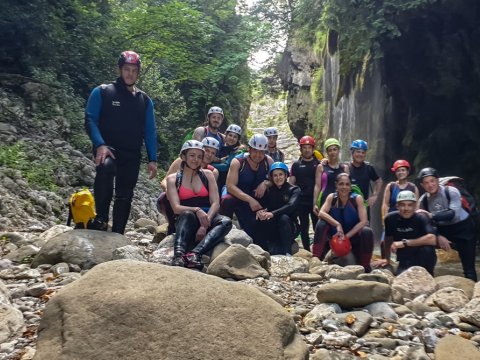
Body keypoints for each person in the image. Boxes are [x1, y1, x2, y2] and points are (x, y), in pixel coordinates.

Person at [85, 50, 157, 234]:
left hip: (132, 153)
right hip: (108, 148)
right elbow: (90, 119)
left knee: (125, 193)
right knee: (106, 168)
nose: (130, 73)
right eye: (126, 69)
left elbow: (150, 131)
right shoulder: (102, 92)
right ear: (120, 69)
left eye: (134, 70)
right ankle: (101, 218)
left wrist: (152, 159)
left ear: (138, 73)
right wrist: (100, 144)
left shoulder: (145, 100)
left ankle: (118, 231)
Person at [166, 140, 232, 269]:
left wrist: (204, 223)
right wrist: (196, 210)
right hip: (187, 218)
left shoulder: (208, 175)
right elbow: (176, 207)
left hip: (208, 217)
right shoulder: (173, 179)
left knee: (226, 222)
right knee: (186, 214)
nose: (195, 159)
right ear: (183, 156)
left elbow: (215, 203)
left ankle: (194, 254)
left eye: (199, 156)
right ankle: (178, 255)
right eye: (192, 155)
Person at [417, 167, 477, 281]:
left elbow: (453, 214)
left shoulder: (451, 191)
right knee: (424, 246)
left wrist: (431, 215)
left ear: (437, 180)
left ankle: (473, 291)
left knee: (469, 268)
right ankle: (428, 278)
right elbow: (425, 225)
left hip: (464, 230)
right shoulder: (423, 201)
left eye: (432, 181)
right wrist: (438, 236)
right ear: (422, 185)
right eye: (426, 182)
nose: (430, 185)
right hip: (443, 231)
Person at [312, 173, 374, 272]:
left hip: (353, 239)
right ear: (336, 185)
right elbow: (321, 213)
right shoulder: (332, 197)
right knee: (321, 223)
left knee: (367, 231)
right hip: (334, 239)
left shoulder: (357, 199)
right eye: (341, 184)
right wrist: (337, 224)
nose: (344, 187)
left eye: (347, 184)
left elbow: (364, 221)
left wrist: (346, 237)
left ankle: (366, 267)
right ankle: (315, 259)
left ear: (350, 186)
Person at [158, 137, 220, 234]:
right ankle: (172, 225)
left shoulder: (212, 172)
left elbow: (211, 195)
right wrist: (170, 190)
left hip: (200, 205)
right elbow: (165, 180)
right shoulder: (180, 162)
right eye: (207, 151)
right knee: (165, 197)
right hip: (179, 198)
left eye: (213, 153)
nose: (209, 155)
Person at [220, 134, 273, 239]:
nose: (258, 155)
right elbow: (230, 186)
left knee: (255, 229)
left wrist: (265, 183)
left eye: (261, 152)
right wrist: (250, 200)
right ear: (249, 149)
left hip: (256, 196)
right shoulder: (238, 162)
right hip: (239, 196)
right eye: (255, 151)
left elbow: (275, 180)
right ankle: (223, 229)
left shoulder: (268, 161)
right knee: (227, 200)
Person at [374, 190, 437, 275]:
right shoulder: (390, 218)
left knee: (427, 249)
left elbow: (432, 239)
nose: (406, 208)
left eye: (410, 205)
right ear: (397, 206)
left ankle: (428, 273)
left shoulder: (422, 217)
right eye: (402, 205)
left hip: (424, 257)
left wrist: (405, 243)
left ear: (415, 206)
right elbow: (388, 239)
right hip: (405, 258)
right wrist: (387, 258)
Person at [255, 162, 301, 255]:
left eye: (281, 174)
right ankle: (263, 251)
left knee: (283, 218)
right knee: (260, 219)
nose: (278, 177)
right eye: (275, 175)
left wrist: (272, 213)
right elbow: (264, 205)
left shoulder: (294, 190)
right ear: (271, 177)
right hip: (274, 225)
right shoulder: (270, 190)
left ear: (286, 175)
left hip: (290, 226)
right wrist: (260, 212)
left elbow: (290, 206)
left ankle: (287, 253)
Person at [289, 136, 320, 251]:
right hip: (301, 201)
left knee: (318, 226)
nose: (307, 150)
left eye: (309, 147)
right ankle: (307, 250)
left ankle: (317, 250)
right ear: (301, 149)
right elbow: (291, 182)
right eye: (304, 147)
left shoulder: (319, 164)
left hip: (315, 200)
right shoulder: (296, 165)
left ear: (313, 149)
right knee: (304, 226)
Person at [313, 138, 349, 214]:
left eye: (335, 149)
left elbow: (348, 186)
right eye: (330, 150)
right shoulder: (321, 167)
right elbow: (317, 186)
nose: (333, 152)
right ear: (327, 152)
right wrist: (314, 203)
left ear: (339, 150)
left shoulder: (344, 168)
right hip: (324, 199)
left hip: (341, 200)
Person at [348, 139, 382, 213]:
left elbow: (378, 181)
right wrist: (325, 161)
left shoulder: (369, 168)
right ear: (352, 152)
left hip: (364, 207)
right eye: (358, 151)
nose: (360, 154)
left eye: (363, 152)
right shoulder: (346, 167)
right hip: (347, 206)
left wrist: (374, 196)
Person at [212, 124, 244, 195]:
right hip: (217, 178)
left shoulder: (237, 151)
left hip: (229, 182)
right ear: (225, 135)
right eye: (230, 135)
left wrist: (210, 165)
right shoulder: (220, 148)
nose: (232, 138)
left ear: (238, 139)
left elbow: (226, 166)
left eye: (235, 137)